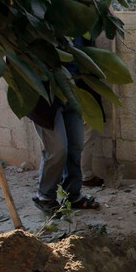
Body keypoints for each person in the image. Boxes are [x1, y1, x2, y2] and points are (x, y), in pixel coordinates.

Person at [28, 36, 100, 215]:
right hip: (46, 100)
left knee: (75, 147)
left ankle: (73, 196)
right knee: (57, 149)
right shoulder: (37, 27)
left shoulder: (78, 33)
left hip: (72, 96)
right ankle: (45, 196)